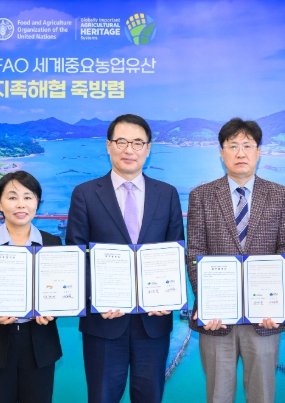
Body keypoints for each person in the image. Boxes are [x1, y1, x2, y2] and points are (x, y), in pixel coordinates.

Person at [66, 114, 184, 403]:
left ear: (148, 148)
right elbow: (75, 256)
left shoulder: (167, 194)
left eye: (138, 143)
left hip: (153, 322)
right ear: (109, 145)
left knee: (150, 397)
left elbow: (175, 252)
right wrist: (95, 299)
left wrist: (168, 297)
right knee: (102, 397)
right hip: (103, 322)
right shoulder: (85, 194)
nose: (129, 149)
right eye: (121, 142)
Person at [186, 118, 285, 403]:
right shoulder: (201, 196)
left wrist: (273, 299)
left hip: (264, 318)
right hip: (216, 319)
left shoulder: (281, 195)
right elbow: (194, 252)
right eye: (232, 146)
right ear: (221, 153)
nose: (240, 153)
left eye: (247, 146)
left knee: (262, 395)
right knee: (218, 395)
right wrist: (207, 304)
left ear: (259, 152)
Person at [0, 171, 62, 403]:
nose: (21, 204)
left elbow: (58, 290)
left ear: (37, 202)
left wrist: (53, 311)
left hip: (39, 343)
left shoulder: (52, 242)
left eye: (28, 197)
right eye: (12, 197)